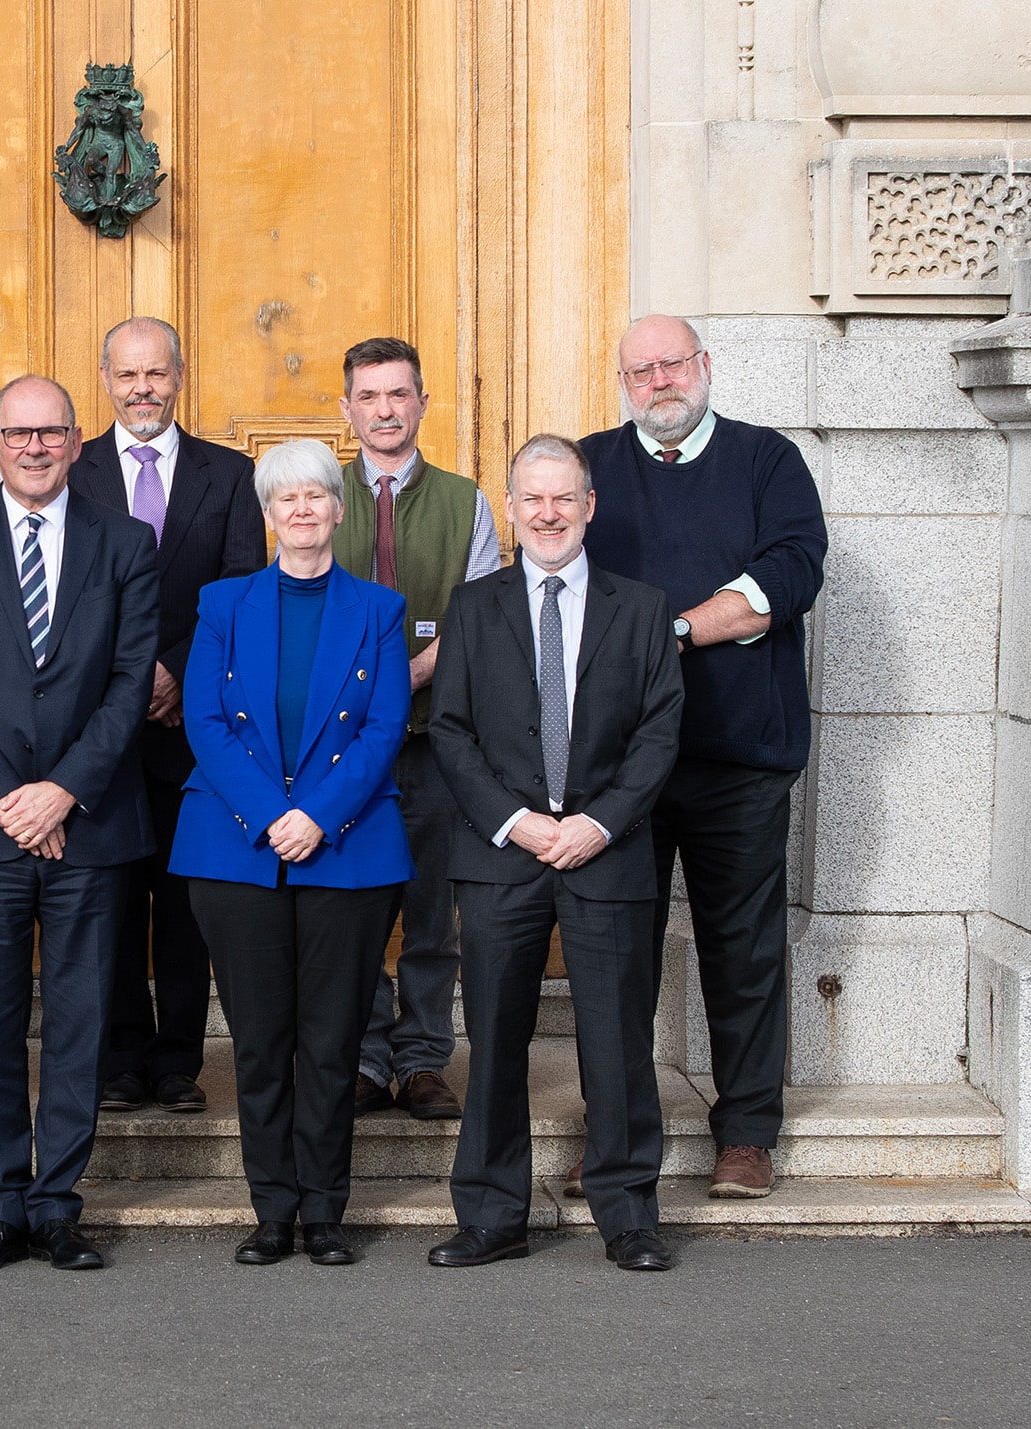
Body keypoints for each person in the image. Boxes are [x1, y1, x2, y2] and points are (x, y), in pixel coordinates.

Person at [0, 376, 160, 1273]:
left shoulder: (125, 542)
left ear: (77, 439)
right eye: (19, 432)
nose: (36, 446)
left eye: (52, 432)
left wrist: (63, 790)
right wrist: (9, 795)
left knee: (82, 1018)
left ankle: (59, 1200)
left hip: (89, 822)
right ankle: (0, 1198)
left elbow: (134, 680)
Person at [579, 315, 827, 1199]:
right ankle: (613, 1140)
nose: (659, 382)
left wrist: (673, 630)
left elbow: (789, 574)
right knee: (617, 955)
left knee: (743, 948)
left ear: (705, 367)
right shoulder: (590, 467)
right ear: (624, 382)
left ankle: (748, 1135)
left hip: (739, 757)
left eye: (672, 363)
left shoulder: (768, 461)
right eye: (640, 369)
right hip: (615, 766)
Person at [425, 434, 684, 1274]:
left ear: (589, 506)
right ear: (511, 506)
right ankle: (493, 1213)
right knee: (495, 1039)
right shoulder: (475, 607)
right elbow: (452, 733)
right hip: (502, 855)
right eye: (531, 498)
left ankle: (628, 1213)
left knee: (616, 1041)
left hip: (607, 853)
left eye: (563, 498)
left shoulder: (641, 608)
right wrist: (516, 820)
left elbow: (658, 733)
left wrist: (599, 822)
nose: (547, 513)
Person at [170, 438, 412, 1268]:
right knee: (261, 1039)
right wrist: (277, 815)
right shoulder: (222, 603)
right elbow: (204, 721)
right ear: (267, 515)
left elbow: (384, 728)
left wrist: (318, 816)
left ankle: (326, 1212)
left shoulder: (379, 610)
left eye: (316, 496)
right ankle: (273, 1208)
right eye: (285, 499)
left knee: (332, 1037)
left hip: (347, 849)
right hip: (237, 848)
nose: (302, 510)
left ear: (339, 509)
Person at [69, 316, 265, 1115]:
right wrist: (127, 679)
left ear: (179, 376)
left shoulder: (230, 473)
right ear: (106, 378)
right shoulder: (70, 471)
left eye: (156, 374)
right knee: (108, 896)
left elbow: (242, 586)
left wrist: (179, 674)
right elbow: (65, 594)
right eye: (127, 375)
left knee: (188, 899)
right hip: (98, 727)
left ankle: (179, 1059)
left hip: (198, 723)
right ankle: (118, 1060)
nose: (142, 389)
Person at [331, 337, 501, 1121]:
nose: (385, 410)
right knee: (359, 905)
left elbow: (479, 617)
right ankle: (366, 1056)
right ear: (348, 408)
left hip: (436, 741)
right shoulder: (317, 492)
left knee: (433, 911)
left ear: (424, 402)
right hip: (338, 749)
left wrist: (407, 677)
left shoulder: (466, 500)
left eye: (399, 394)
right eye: (369, 396)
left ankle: (425, 1059)